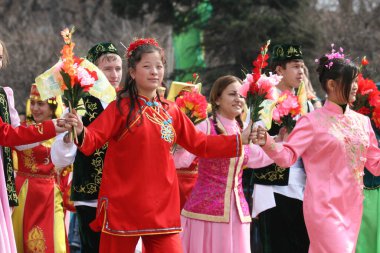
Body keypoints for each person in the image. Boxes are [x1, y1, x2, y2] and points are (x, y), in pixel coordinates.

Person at [64, 38, 254, 253]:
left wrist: (240, 140)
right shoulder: (120, 107)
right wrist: (79, 129)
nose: (155, 72)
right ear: (133, 72)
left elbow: (200, 144)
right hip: (124, 204)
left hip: (162, 206)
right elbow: (93, 139)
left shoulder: (171, 111)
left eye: (159, 66)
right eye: (147, 66)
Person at [253, 49, 380, 252]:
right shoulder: (311, 121)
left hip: (353, 207)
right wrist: (267, 142)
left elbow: (375, 165)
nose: (356, 87)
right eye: (352, 81)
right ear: (331, 84)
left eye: (357, 81)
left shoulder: (363, 122)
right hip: (324, 208)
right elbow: (287, 156)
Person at [173, 75, 273, 253]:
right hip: (204, 211)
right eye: (232, 94)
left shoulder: (243, 130)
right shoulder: (205, 126)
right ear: (217, 99)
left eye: (241, 96)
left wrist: (282, 143)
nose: (238, 99)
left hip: (237, 212)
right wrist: (177, 143)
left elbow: (260, 157)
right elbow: (181, 160)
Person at [51, 42, 123, 253]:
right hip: (91, 195)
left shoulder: (127, 102)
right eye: (107, 69)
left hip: (123, 194)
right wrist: (67, 138)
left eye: (118, 68)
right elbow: (60, 159)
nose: (114, 74)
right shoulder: (79, 102)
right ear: (93, 71)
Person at [0, 39, 70, 253]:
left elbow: (16, 139)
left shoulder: (3, 95)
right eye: (35, 103)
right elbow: (6, 134)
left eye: (0, 57)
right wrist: (50, 128)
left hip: (41, 191)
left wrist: (59, 129)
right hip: (23, 189)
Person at [251, 44, 310, 253]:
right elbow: (253, 144)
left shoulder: (308, 105)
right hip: (275, 187)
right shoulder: (265, 102)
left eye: (302, 67)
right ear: (279, 70)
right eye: (295, 66)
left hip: (306, 189)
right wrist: (277, 139)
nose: (300, 72)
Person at [12, 84, 68, 253]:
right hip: (23, 193)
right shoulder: (22, 129)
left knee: (56, 245)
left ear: (52, 107)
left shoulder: (63, 133)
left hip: (50, 194)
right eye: (33, 103)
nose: (35, 108)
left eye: (41, 104)